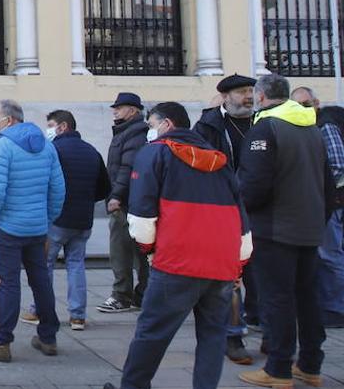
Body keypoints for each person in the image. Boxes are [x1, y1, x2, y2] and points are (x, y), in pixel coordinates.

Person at [102, 102, 252, 389]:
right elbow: (240, 217)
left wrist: (148, 250)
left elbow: (142, 213)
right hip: (221, 263)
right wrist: (239, 262)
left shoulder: (154, 154)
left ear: (167, 125)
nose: (150, 131)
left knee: (152, 332)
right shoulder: (219, 159)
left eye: (152, 125)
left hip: (176, 261)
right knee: (212, 336)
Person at [237, 74, 335, 389]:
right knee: (307, 297)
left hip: (275, 228)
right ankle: (310, 364)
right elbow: (328, 183)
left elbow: (254, 184)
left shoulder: (265, 128)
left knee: (276, 299)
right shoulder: (311, 127)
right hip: (309, 227)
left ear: (261, 97)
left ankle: (278, 369)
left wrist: (243, 213)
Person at [0, 99, 65, 362]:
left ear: (9, 120)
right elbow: (57, 189)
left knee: (8, 283)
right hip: (36, 227)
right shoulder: (46, 145)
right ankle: (48, 336)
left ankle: (1, 342)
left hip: (8, 228)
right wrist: (46, 221)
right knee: (41, 280)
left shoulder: (1, 146)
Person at [194, 73, 262, 353]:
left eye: (250, 90)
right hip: (226, 209)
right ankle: (234, 336)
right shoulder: (208, 126)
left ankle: (266, 328)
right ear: (225, 97)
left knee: (261, 274)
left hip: (261, 208)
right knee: (231, 276)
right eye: (241, 92)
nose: (248, 96)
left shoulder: (264, 122)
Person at [25, 110, 109, 331]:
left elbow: (41, 182)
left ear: (63, 127)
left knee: (44, 265)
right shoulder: (92, 152)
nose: (48, 130)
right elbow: (103, 188)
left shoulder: (52, 150)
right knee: (76, 265)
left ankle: (38, 310)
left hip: (57, 219)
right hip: (83, 220)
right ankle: (78, 316)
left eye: (51, 125)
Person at [292, 93, 344, 328]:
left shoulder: (325, 126)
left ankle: (336, 309)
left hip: (328, 203)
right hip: (316, 203)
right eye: (297, 105)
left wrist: (314, 188)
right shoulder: (305, 128)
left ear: (316, 104)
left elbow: (337, 163)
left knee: (330, 255)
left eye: (306, 104)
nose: (302, 108)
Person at [98, 91, 150, 314]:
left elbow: (127, 168)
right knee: (139, 251)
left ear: (133, 111)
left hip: (127, 202)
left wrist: (116, 196)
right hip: (132, 200)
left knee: (121, 250)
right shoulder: (126, 132)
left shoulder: (134, 133)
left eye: (119, 108)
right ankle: (142, 294)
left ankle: (122, 295)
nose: (115, 111)